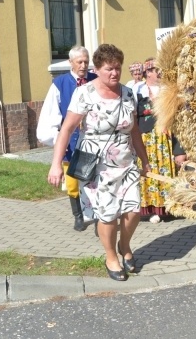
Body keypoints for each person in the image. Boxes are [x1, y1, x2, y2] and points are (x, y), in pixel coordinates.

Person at [47, 44, 151, 282]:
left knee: (134, 210)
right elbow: (67, 129)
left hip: (125, 161)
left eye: (118, 68)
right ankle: (111, 256)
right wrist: (56, 164)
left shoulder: (128, 93)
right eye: (108, 69)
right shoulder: (84, 93)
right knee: (108, 214)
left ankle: (125, 245)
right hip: (97, 165)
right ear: (97, 69)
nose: (114, 73)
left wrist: (144, 160)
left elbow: (134, 131)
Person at [37, 46, 97, 231]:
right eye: (79, 62)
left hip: (92, 140)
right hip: (70, 142)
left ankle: (98, 218)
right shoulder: (60, 84)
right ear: (71, 62)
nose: (83, 65)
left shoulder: (96, 80)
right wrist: (57, 141)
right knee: (72, 183)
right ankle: (78, 215)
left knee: (94, 180)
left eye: (86, 61)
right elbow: (50, 115)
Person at [135, 58, 186, 223]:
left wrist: (180, 150)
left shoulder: (168, 90)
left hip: (165, 140)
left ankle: (167, 207)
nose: (160, 73)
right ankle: (150, 208)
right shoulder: (138, 90)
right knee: (148, 171)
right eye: (156, 70)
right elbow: (133, 118)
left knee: (166, 172)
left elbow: (178, 121)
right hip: (147, 140)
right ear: (148, 72)